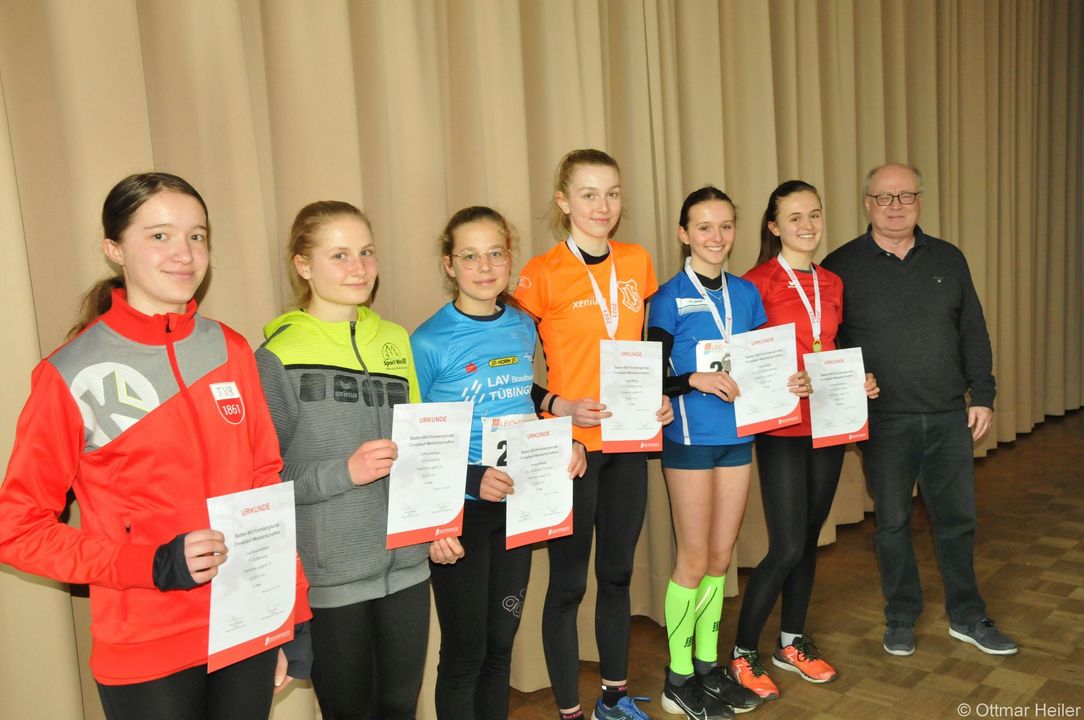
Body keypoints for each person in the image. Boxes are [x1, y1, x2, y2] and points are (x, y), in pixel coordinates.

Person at [0, 172, 312, 720]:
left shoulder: (230, 349)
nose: (184, 254)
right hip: (145, 646)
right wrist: (149, 564)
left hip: (245, 622)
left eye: (197, 236)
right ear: (114, 249)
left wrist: (294, 608)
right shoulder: (70, 373)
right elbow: (16, 530)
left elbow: (264, 483)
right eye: (160, 236)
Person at [255, 200, 463, 720]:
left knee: (399, 706)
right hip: (330, 577)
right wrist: (342, 473)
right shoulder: (276, 355)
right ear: (304, 265)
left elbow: (421, 447)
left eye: (366, 252)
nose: (359, 268)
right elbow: (262, 483)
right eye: (340, 255)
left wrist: (436, 524)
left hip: (408, 568)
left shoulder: (395, 339)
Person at [821, 163, 1017, 657]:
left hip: (949, 414)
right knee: (891, 523)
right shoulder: (840, 265)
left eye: (905, 195)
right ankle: (902, 614)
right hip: (885, 420)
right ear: (867, 204)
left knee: (957, 520)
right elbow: (827, 342)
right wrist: (846, 388)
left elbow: (973, 330)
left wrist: (983, 394)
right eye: (884, 197)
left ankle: (967, 615)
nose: (895, 206)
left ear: (920, 201)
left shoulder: (949, 258)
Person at [512, 148, 673, 720]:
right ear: (563, 201)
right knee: (567, 585)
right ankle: (568, 711)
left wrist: (658, 397)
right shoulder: (540, 274)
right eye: (588, 194)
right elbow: (513, 376)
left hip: (628, 446)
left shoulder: (637, 261)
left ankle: (614, 696)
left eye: (612, 193)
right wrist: (558, 405)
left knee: (618, 575)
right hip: (572, 452)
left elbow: (642, 350)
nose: (602, 206)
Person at [412, 205, 588, 720]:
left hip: (518, 505)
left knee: (501, 647)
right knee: (464, 655)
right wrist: (456, 496)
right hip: (461, 512)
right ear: (449, 265)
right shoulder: (427, 341)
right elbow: (416, 442)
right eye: (470, 256)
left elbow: (517, 396)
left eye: (495, 253)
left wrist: (562, 442)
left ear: (510, 258)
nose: (485, 267)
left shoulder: (521, 326)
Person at [733, 180, 879, 700]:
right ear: (774, 226)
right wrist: (780, 382)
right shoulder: (753, 284)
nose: (807, 225)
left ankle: (791, 642)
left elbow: (832, 346)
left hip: (829, 423)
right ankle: (742, 653)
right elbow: (741, 363)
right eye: (794, 217)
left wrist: (859, 380)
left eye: (814, 214)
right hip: (781, 428)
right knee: (788, 544)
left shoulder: (833, 282)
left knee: (810, 536)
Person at [646, 186, 764, 719]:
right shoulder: (668, 298)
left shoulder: (747, 294)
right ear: (684, 234)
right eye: (703, 227)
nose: (716, 237)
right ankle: (677, 678)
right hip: (691, 442)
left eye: (725, 226)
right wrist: (692, 378)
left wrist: (789, 381)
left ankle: (708, 666)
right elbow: (651, 377)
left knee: (721, 556)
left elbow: (761, 362)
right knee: (693, 559)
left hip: (739, 439)